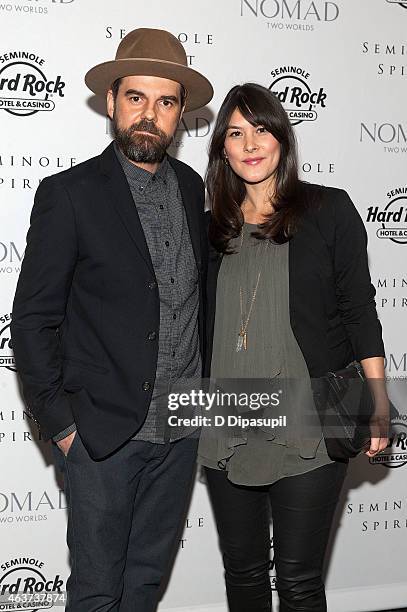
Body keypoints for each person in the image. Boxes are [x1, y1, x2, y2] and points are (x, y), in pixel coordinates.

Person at [11, 28, 213, 612]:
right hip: (102, 436)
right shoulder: (68, 193)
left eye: (166, 101)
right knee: (97, 593)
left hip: (180, 434)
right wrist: (63, 426)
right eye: (136, 98)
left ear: (180, 113)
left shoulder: (191, 187)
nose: (150, 114)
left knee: (144, 589)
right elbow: (33, 318)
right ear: (111, 101)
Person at [198, 83, 389, 612]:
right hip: (228, 420)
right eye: (235, 133)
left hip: (309, 420)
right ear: (223, 150)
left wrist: (377, 404)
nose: (251, 143)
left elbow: (359, 310)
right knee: (244, 577)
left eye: (261, 129)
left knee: (300, 585)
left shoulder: (328, 209)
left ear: (282, 137)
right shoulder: (210, 226)